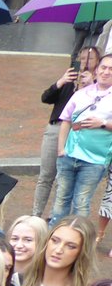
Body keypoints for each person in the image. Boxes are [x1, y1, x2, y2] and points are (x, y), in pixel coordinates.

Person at [37, 50, 100, 219]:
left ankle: (54, 216)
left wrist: (90, 85)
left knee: (63, 178)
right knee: (45, 175)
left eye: (90, 58)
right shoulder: (69, 79)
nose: (85, 61)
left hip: (78, 132)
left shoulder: (98, 88)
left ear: (97, 63)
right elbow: (46, 97)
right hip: (56, 128)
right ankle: (35, 215)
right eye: (83, 58)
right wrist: (61, 82)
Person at [51, 54, 112, 224]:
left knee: (81, 203)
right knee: (60, 200)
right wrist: (61, 150)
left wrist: (103, 123)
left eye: (111, 69)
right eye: (103, 67)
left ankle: (77, 239)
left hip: (95, 160)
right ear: (97, 69)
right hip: (69, 155)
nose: (106, 72)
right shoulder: (82, 93)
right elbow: (66, 120)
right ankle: (53, 235)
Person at [15, 216, 96, 286]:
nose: (58, 250)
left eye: (70, 246)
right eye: (55, 240)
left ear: (82, 252)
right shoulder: (16, 281)